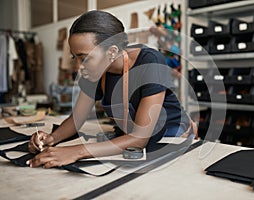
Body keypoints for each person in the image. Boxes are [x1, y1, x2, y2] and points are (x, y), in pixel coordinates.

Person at [27, 10, 196, 168]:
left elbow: (139, 139)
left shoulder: (150, 62)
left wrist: (77, 152)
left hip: (169, 136)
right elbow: (76, 119)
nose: (78, 66)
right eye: (75, 57)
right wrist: (51, 139)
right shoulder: (94, 72)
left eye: (84, 58)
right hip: (131, 140)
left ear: (112, 52)